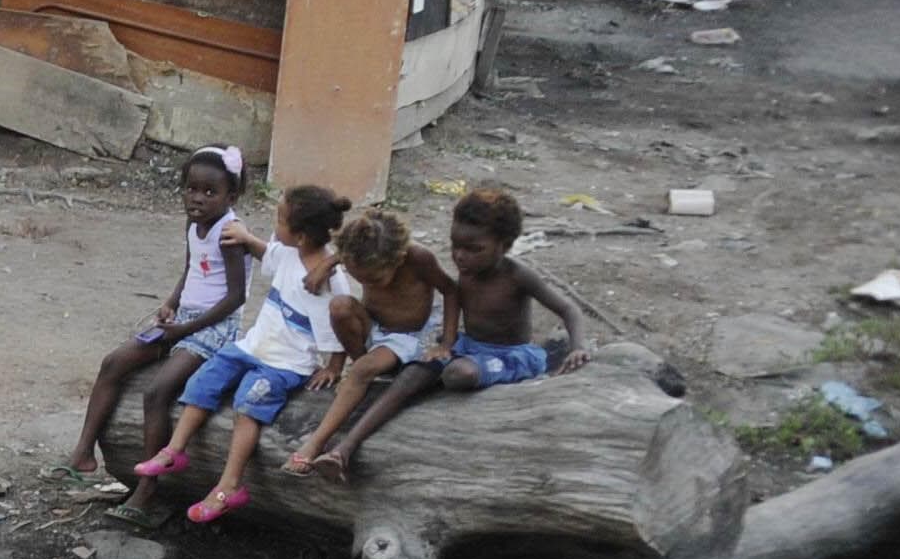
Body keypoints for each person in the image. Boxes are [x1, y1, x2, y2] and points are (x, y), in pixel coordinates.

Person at [313, 184, 595, 479]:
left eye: (474, 249)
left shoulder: (517, 275)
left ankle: (432, 385)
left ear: (504, 245)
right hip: (467, 346)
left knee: (458, 374)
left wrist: (578, 346)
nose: (460, 257)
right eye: (455, 246)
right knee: (414, 372)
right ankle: (343, 450)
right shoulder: (468, 270)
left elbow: (569, 310)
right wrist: (446, 344)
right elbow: (368, 252)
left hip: (508, 356)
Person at [128, 182, 351, 527]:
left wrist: (335, 366)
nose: (274, 226)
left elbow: (336, 325)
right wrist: (248, 239)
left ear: (303, 236)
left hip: (285, 364)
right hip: (252, 346)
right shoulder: (289, 252)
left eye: (280, 219)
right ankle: (173, 451)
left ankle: (228, 486)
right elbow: (270, 255)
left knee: (247, 406)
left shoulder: (326, 281)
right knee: (204, 382)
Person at [69, 145, 254, 483]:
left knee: (157, 391)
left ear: (232, 196)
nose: (197, 199)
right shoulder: (193, 222)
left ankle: (149, 487)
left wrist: (184, 330)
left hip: (214, 327)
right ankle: (83, 451)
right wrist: (170, 303)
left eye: (210, 192)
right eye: (191, 189)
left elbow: (236, 297)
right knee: (113, 363)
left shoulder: (230, 234)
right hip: (183, 318)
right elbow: (191, 270)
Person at [281, 204, 457, 475]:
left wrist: (446, 342)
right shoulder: (361, 252)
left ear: (397, 259)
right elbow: (345, 253)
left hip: (411, 336)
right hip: (375, 328)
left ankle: (315, 443)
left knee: (362, 370)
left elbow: (451, 290)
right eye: (360, 278)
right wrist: (327, 264)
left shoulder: (419, 258)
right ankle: (363, 374)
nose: (368, 283)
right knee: (340, 306)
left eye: (374, 279)